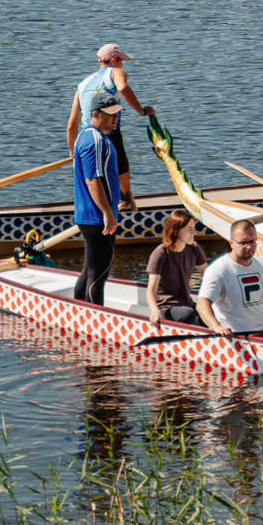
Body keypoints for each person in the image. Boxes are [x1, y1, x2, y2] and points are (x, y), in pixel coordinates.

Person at [65, 44, 146, 212]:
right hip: (108, 132)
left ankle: (103, 207)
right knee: (121, 178)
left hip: (85, 137)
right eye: (121, 61)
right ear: (114, 60)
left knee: (95, 176)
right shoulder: (116, 72)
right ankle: (125, 206)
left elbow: (72, 126)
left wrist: (73, 152)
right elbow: (122, 88)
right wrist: (142, 111)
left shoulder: (83, 84)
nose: (122, 65)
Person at [71, 98, 124, 306]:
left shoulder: (87, 134)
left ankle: (79, 312)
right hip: (97, 217)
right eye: (110, 113)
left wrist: (120, 196)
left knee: (89, 271)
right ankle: (95, 317)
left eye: (116, 113)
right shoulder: (94, 140)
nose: (115, 117)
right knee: (98, 276)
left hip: (91, 215)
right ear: (95, 114)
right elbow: (92, 180)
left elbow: (104, 177)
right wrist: (107, 213)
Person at [195, 217, 263, 334]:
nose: (249, 247)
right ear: (232, 243)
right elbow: (202, 304)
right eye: (243, 243)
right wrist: (217, 327)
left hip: (262, 330)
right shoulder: (218, 269)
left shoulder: (261, 265)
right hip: (234, 335)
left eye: (252, 241)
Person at [142, 210, 206, 324]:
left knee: (212, 312)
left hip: (187, 303)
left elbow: (209, 276)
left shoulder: (194, 248)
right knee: (188, 314)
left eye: (194, 227)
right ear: (176, 230)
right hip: (166, 307)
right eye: (190, 228)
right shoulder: (160, 253)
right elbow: (151, 290)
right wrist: (155, 311)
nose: (194, 232)